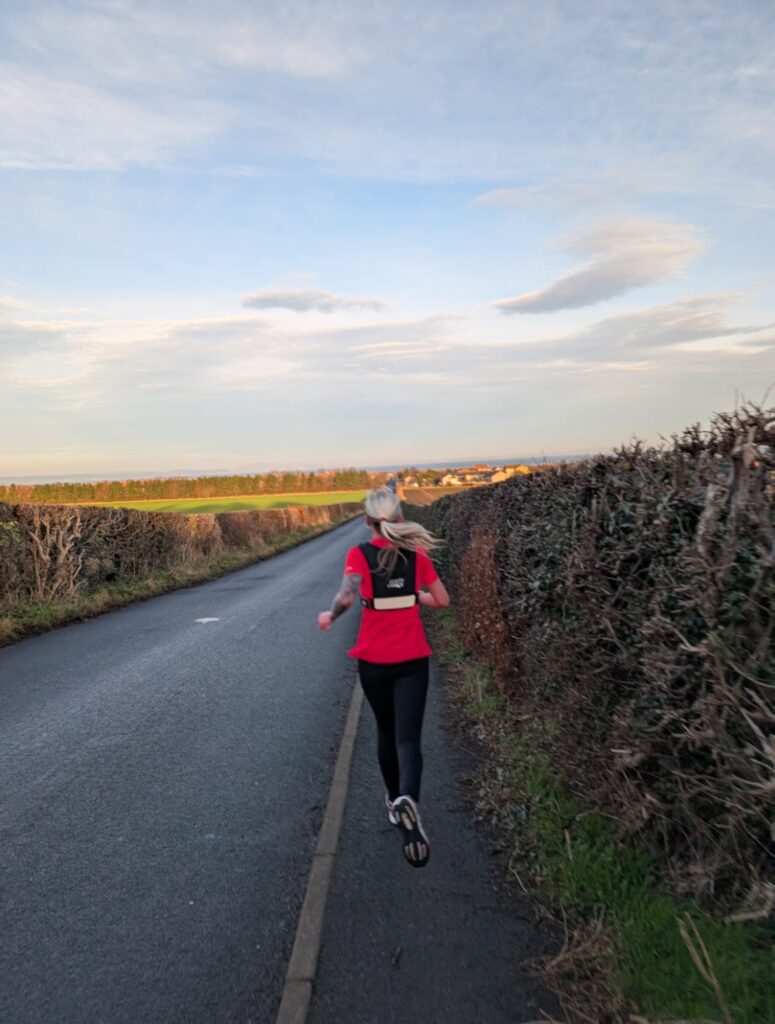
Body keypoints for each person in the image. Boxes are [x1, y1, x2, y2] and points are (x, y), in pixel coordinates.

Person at [318, 487, 450, 868]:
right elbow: (441, 600)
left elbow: (346, 596)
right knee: (409, 737)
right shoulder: (417, 555)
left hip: (373, 662)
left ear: (366, 521)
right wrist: (415, 597)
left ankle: (395, 803)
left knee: (385, 732)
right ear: (398, 516)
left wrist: (330, 616)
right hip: (413, 661)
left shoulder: (358, 555)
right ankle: (410, 797)